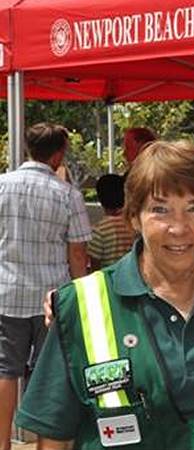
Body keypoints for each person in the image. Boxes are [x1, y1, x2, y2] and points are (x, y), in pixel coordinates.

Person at [16, 141, 194, 450]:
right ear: (134, 217)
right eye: (160, 210)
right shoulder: (82, 305)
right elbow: (54, 434)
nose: (178, 228)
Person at [0, 122, 91, 450]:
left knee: (4, 369)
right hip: (52, 299)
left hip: (5, 293)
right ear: (58, 153)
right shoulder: (68, 194)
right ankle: (44, 446)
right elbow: (78, 253)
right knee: (48, 372)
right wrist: (83, 294)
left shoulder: (1, 185)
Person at [87, 174, 136, 270]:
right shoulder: (135, 224)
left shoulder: (100, 230)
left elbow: (95, 265)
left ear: (100, 199)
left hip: (109, 281)